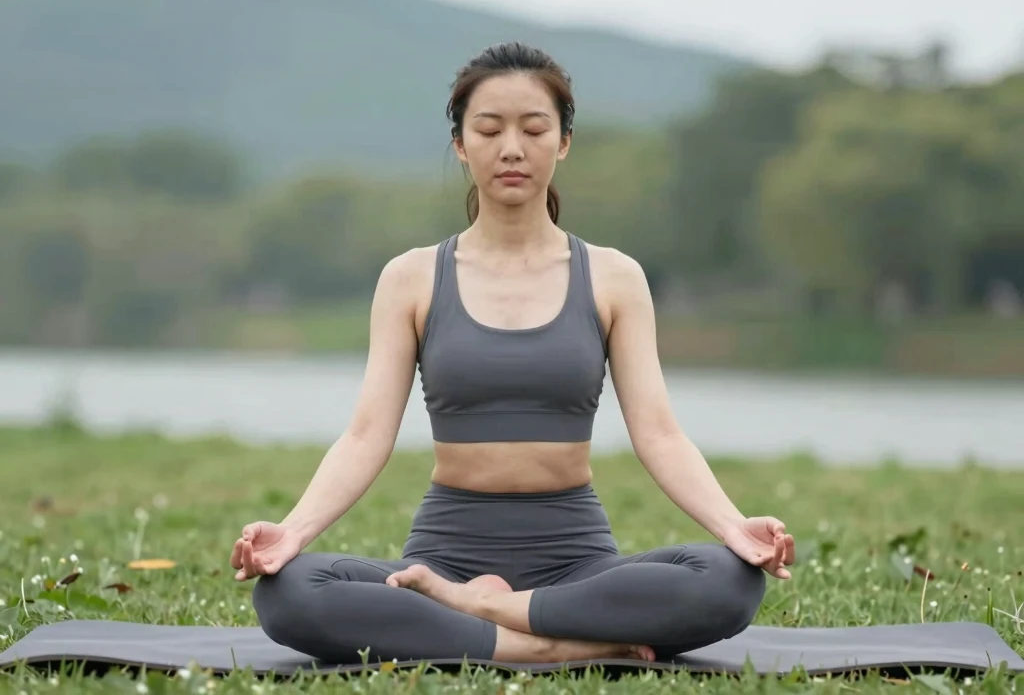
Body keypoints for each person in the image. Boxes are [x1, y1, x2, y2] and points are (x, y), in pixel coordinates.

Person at [229, 42, 796, 666]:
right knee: (289, 591)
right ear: (460, 144)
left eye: (534, 129)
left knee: (729, 579)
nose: (512, 149)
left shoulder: (614, 277)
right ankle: (552, 643)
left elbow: (659, 434)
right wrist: (292, 532)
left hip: (577, 562)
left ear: (564, 142)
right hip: (443, 557)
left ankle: (482, 616)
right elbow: (366, 435)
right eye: (489, 129)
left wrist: (733, 526)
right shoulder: (411, 278)